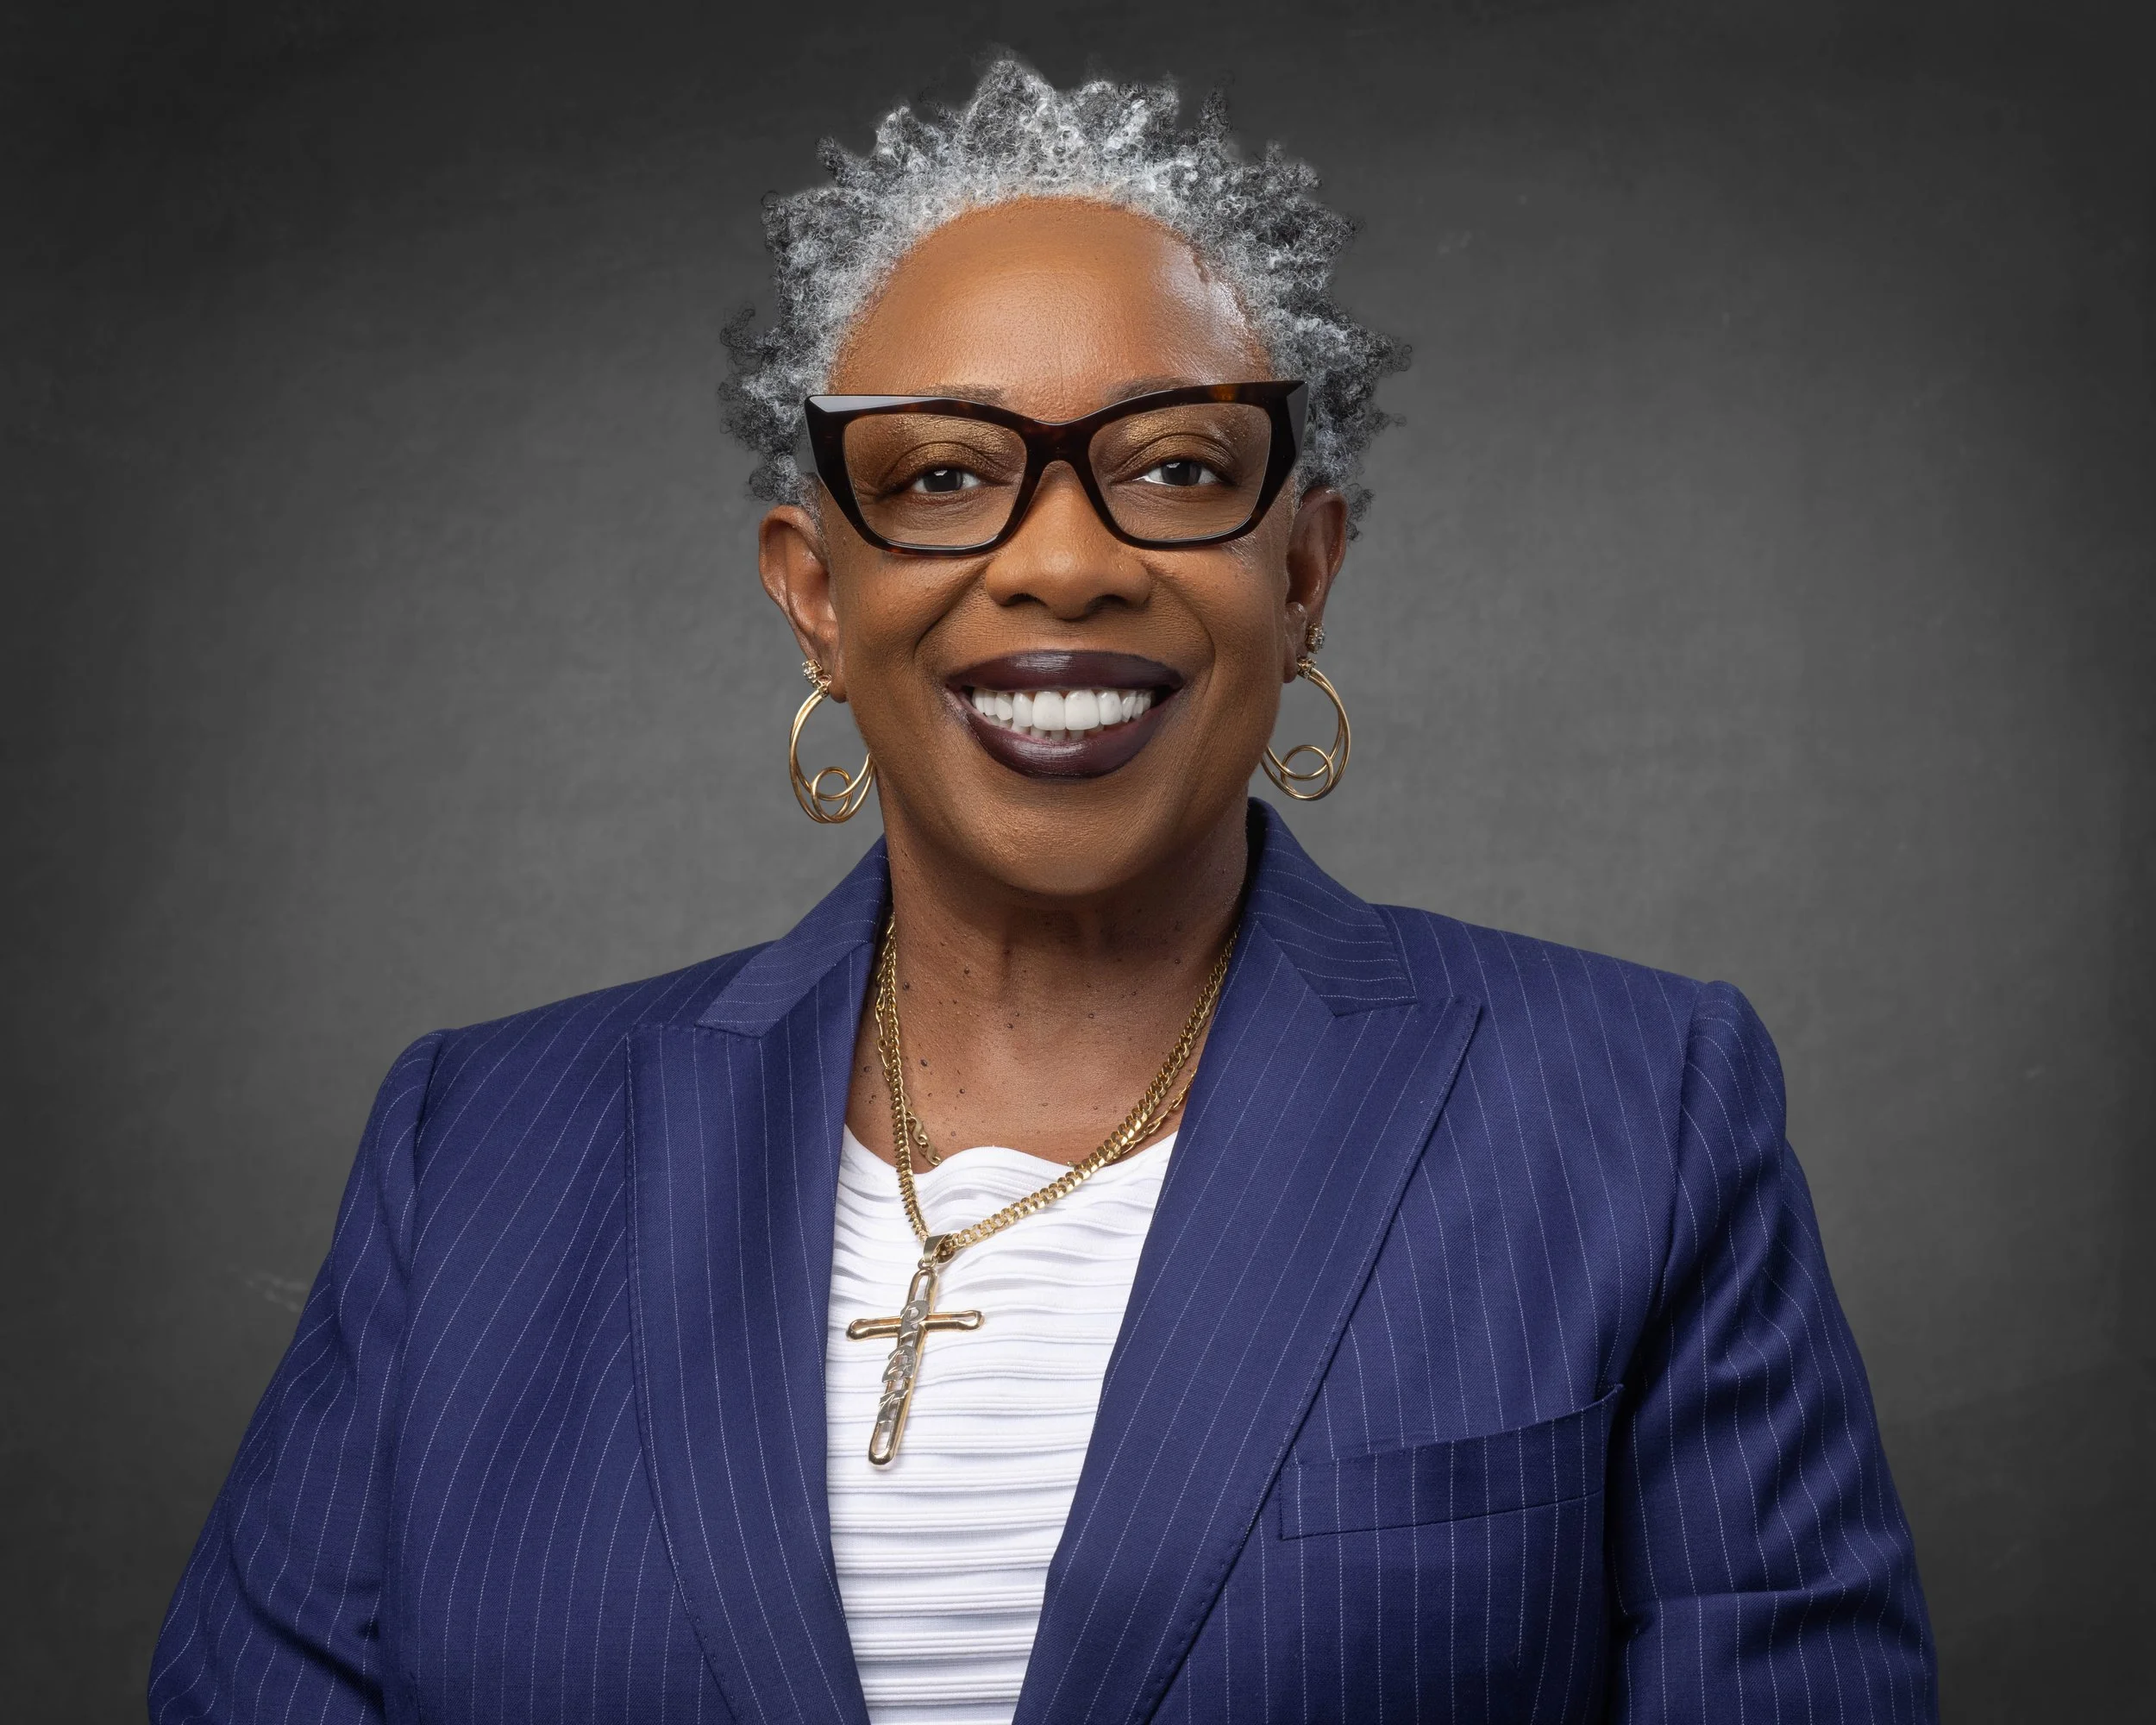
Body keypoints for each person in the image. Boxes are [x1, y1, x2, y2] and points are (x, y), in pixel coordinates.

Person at [149, 59, 1935, 1725]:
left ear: (1300, 569)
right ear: (814, 594)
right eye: (940, 478)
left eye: (1174, 467)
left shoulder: (1634, 1110)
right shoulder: (473, 1149)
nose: (1062, 560)